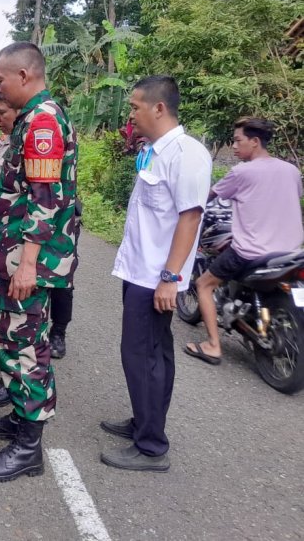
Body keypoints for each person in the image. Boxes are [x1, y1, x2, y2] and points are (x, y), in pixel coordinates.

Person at [0, 42, 78, 483]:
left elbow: (44, 199)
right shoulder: (30, 121)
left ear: (23, 76)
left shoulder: (42, 122)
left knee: (25, 348)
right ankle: (21, 419)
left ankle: (29, 447)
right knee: (12, 342)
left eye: (0, 79)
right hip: (13, 253)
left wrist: (28, 263)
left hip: (27, 258)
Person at [101, 75, 211, 472]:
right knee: (152, 354)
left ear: (159, 108)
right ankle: (145, 422)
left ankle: (151, 446)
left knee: (141, 356)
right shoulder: (155, 151)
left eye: (135, 106)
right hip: (140, 271)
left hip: (155, 278)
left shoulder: (187, 153)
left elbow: (189, 217)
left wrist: (170, 277)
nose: (130, 114)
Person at [184, 117, 303, 365]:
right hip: (290, 252)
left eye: (238, 141)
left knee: (205, 284)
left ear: (255, 141)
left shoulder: (241, 172)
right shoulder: (291, 170)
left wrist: (187, 208)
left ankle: (213, 346)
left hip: (251, 252)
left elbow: (209, 197)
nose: (234, 146)